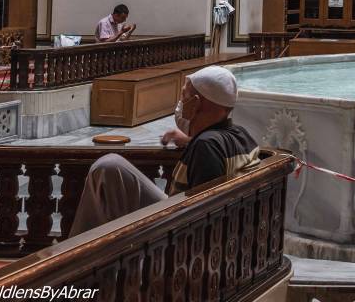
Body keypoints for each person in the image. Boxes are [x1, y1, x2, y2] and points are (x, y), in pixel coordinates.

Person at [69, 66, 259, 236]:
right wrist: (190, 141)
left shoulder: (206, 147)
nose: (181, 103)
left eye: (184, 96)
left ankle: (73, 263)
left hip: (175, 234)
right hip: (181, 215)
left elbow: (203, 219)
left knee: (106, 167)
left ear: (196, 103)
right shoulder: (240, 136)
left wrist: (196, 143)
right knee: (111, 167)